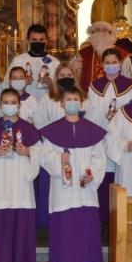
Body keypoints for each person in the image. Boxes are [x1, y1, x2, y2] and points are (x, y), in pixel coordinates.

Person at [40, 87, 106, 262]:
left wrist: (91, 174)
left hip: (86, 187)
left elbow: (98, 157)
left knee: (87, 224)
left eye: (75, 98)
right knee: (64, 225)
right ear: (61, 103)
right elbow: (45, 157)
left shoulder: (92, 130)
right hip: (64, 186)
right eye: (68, 99)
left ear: (81, 103)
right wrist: (59, 159)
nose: (72, 102)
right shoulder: (53, 131)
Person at [0, 89, 42, 262]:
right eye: (5, 101)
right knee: (1, 226)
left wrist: (28, 152)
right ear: (0, 105)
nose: (9, 105)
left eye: (13, 101)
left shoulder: (29, 128)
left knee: (21, 224)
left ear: (19, 105)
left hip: (21, 181)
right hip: (0, 182)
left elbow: (40, 152)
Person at [85, 47, 132, 225]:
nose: (111, 66)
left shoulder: (130, 86)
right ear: (102, 65)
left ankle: (118, 221)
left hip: (121, 139)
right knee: (102, 177)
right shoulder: (94, 87)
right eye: (108, 63)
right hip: (100, 137)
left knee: (119, 179)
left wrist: (118, 119)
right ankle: (103, 222)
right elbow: (90, 114)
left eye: (114, 62)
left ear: (120, 64)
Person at [33, 61, 81, 228]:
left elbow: (90, 123)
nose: (65, 78)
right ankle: (50, 221)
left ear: (74, 77)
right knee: (53, 186)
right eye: (62, 76)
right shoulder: (48, 99)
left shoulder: (83, 99)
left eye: (69, 75)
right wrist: (51, 138)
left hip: (78, 149)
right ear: (56, 78)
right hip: (54, 149)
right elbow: (39, 122)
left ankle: (74, 218)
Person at [74, 0, 132, 92]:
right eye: (97, 29)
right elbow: (74, 86)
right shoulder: (82, 55)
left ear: (111, 32)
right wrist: (76, 71)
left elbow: (129, 87)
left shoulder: (123, 57)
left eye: (105, 30)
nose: (101, 34)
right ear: (91, 32)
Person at [3, 24, 59, 100]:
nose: (38, 43)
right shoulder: (19, 60)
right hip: (24, 106)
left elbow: (62, 91)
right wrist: (21, 83)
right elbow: (6, 85)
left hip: (47, 105)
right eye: (34, 40)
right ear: (28, 40)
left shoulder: (54, 62)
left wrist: (51, 85)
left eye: (41, 40)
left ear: (47, 40)